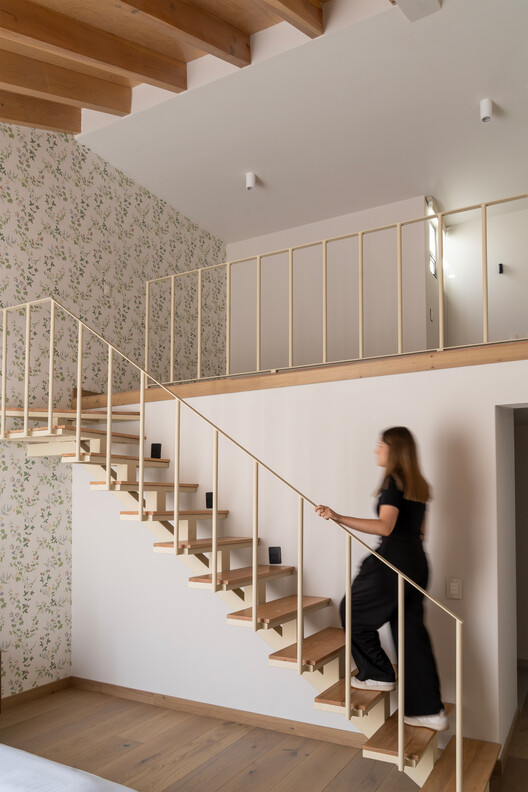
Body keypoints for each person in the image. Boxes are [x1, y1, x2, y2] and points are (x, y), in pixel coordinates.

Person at [315, 426, 448, 731]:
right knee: (411, 635)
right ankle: (428, 710)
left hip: (394, 562)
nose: (376, 450)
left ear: (394, 450)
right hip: (416, 562)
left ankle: (379, 673)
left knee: (352, 611)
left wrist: (337, 516)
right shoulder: (418, 485)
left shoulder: (393, 481)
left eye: (380, 445)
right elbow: (421, 532)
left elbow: (386, 527)